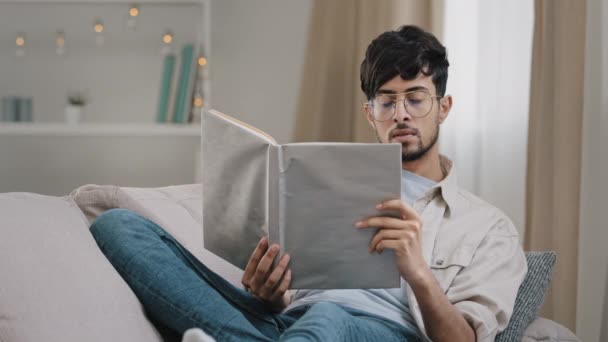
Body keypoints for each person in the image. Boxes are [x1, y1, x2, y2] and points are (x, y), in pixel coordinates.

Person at [90, 25, 527, 342]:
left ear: (443, 107)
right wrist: (268, 291)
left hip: (380, 333)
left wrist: (418, 274)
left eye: (416, 98)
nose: (401, 114)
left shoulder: (487, 227)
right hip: (287, 323)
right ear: (369, 113)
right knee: (118, 227)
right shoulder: (327, 182)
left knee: (331, 317)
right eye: (386, 102)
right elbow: (286, 302)